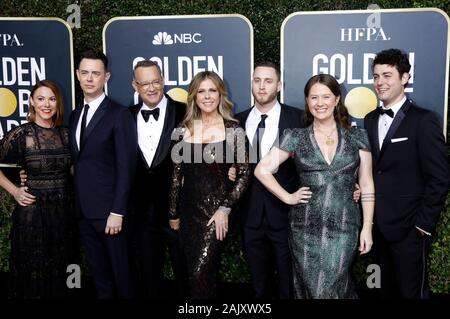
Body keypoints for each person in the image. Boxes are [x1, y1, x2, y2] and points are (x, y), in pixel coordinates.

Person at [255, 74, 375, 299]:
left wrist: (367, 227)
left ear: (337, 99)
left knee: (333, 286)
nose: (320, 103)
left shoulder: (358, 136)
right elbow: (262, 169)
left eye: (326, 97)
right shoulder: (295, 137)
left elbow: (367, 183)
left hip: (344, 226)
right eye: (314, 97)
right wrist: (288, 197)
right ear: (307, 102)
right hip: (305, 228)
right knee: (313, 289)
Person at [364, 48, 449, 299]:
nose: (380, 82)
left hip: (408, 231)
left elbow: (440, 177)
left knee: (410, 294)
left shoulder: (424, 120)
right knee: (376, 290)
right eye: (376, 75)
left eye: (387, 75)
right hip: (374, 228)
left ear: (405, 78)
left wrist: (422, 225)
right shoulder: (369, 120)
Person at [168, 71, 250, 299]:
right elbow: (176, 177)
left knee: (200, 273)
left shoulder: (234, 129)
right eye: (201, 91)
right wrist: (173, 213)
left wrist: (225, 208)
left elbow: (244, 175)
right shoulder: (182, 130)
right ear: (194, 96)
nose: (207, 96)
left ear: (220, 94)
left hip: (217, 215)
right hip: (188, 214)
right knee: (197, 275)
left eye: (212, 90)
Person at [0, 80, 79, 298]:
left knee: (67, 267)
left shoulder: (66, 134)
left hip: (64, 213)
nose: (47, 104)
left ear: (58, 103)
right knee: (33, 269)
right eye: (41, 99)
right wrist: (15, 191)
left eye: (52, 99)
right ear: (32, 102)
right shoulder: (21, 134)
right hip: (33, 215)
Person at [69, 50, 137, 298]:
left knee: (122, 277)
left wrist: (117, 211)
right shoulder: (75, 115)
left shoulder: (119, 114)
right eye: (84, 73)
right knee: (100, 278)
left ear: (106, 77)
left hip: (110, 215)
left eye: (95, 73)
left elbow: (127, 167)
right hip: (84, 214)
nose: (89, 78)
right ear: (78, 75)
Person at [234, 62, 304, 299]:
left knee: (288, 283)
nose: (262, 86)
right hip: (249, 214)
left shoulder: (298, 118)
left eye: (268, 81)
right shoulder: (236, 121)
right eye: (257, 80)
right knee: (258, 284)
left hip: (286, 214)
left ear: (279, 85)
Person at [128, 60, 188, 299]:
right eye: (144, 83)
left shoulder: (186, 111)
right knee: (148, 274)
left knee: (185, 271)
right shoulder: (126, 116)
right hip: (141, 211)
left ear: (163, 80)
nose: (151, 88)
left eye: (155, 81)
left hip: (179, 209)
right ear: (135, 85)